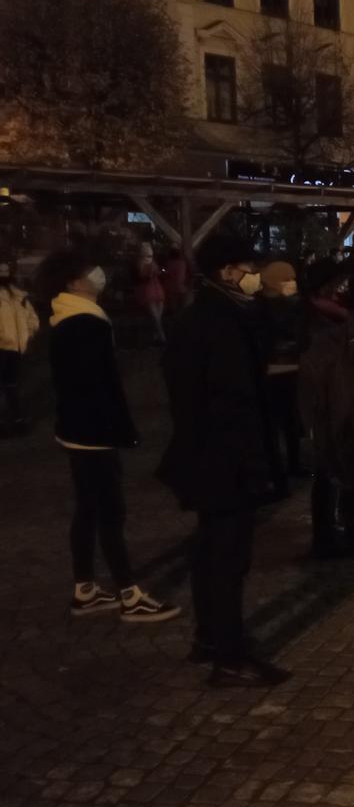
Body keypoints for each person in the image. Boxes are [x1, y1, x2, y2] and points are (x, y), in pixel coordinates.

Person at [157, 234, 289, 688]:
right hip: (226, 459)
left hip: (201, 453)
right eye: (246, 266)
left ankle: (211, 638)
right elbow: (236, 401)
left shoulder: (197, 316)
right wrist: (255, 467)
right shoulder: (224, 322)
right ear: (227, 272)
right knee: (228, 558)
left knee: (209, 550)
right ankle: (230, 656)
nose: (252, 275)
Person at [40, 249, 179, 622]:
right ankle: (129, 594)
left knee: (88, 508)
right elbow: (103, 385)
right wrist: (122, 428)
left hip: (75, 428)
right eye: (91, 269)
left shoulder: (66, 318)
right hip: (94, 431)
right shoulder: (87, 322)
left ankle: (84, 587)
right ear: (73, 282)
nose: (99, 274)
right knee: (110, 511)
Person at [298, 258, 354, 560]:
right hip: (326, 407)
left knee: (346, 469)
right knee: (328, 475)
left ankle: (351, 527)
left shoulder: (341, 319)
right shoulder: (318, 322)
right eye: (338, 283)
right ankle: (326, 537)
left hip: (342, 402)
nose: (343, 289)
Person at [260, 260, 307, 496]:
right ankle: (279, 472)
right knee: (276, 425)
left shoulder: (288, 304)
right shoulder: (269, 307)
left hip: (287, 369)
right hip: (274, 371)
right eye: (287, 279)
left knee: (288, 423)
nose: (292, 283)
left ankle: (290, 466)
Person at [0, 261, 39, 436]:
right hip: (2, 347)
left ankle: (16, 421)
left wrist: (27, 334)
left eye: (6, 271)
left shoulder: (18, 297)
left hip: (14, 349)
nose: (4, 274)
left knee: (12, 386)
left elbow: (31, 318)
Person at [134, 243, 167, 346]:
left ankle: (156, 336)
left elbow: (157, 273)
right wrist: (150, 273)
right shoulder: (141, 262)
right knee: (156, 316)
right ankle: (162, 337)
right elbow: (142, 276)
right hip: (148, 289)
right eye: (148, 254)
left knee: (158, 316)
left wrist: (158, 272)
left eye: (150, 254)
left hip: (156, 288)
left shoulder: (152, 262)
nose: (150, 256)